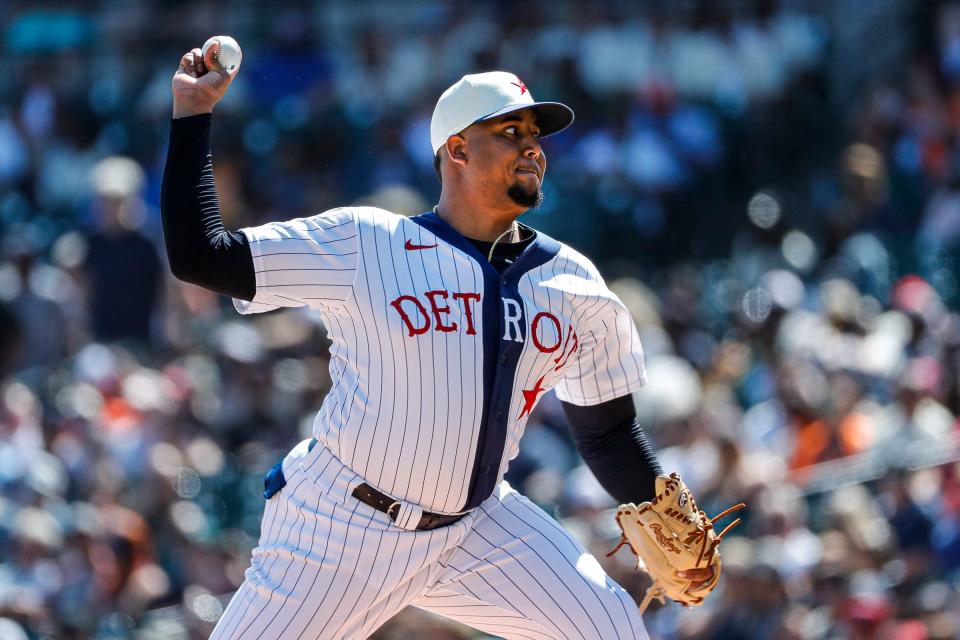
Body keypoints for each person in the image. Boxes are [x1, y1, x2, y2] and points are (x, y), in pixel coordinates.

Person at [162, 43, 672, 640]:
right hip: (344, 525)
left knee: (614, 628)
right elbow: (201, 255)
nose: (532, 146)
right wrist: (193, 113)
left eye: (536, 134)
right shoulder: (366, 242)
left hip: (477, 526)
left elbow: (607, 432)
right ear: (457, 148)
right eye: (510, 131)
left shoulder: (572, 282)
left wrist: (661, 509)